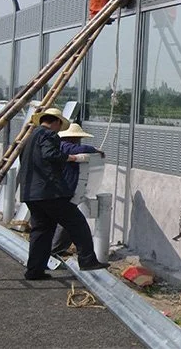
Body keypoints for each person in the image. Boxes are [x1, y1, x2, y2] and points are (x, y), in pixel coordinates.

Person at [19, 108, 109, 280]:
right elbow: (50, 154)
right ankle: (87, 260)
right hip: (50, 193)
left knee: (41, 231)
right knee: (77, 223)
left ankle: (34, 271)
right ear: (56, 122)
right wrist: (73, 158)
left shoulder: (30, 137)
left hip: (31, 193)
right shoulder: (49, 134)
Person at [51, 122, 105, 256]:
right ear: (73, 138)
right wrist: (94, 150)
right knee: (70, 222)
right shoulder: (65, 146)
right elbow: (75, 150)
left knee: (68, 222)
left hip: (64, 189)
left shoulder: (61, 145)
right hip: (66, 189)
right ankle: (55, 249)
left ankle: (57, 249)